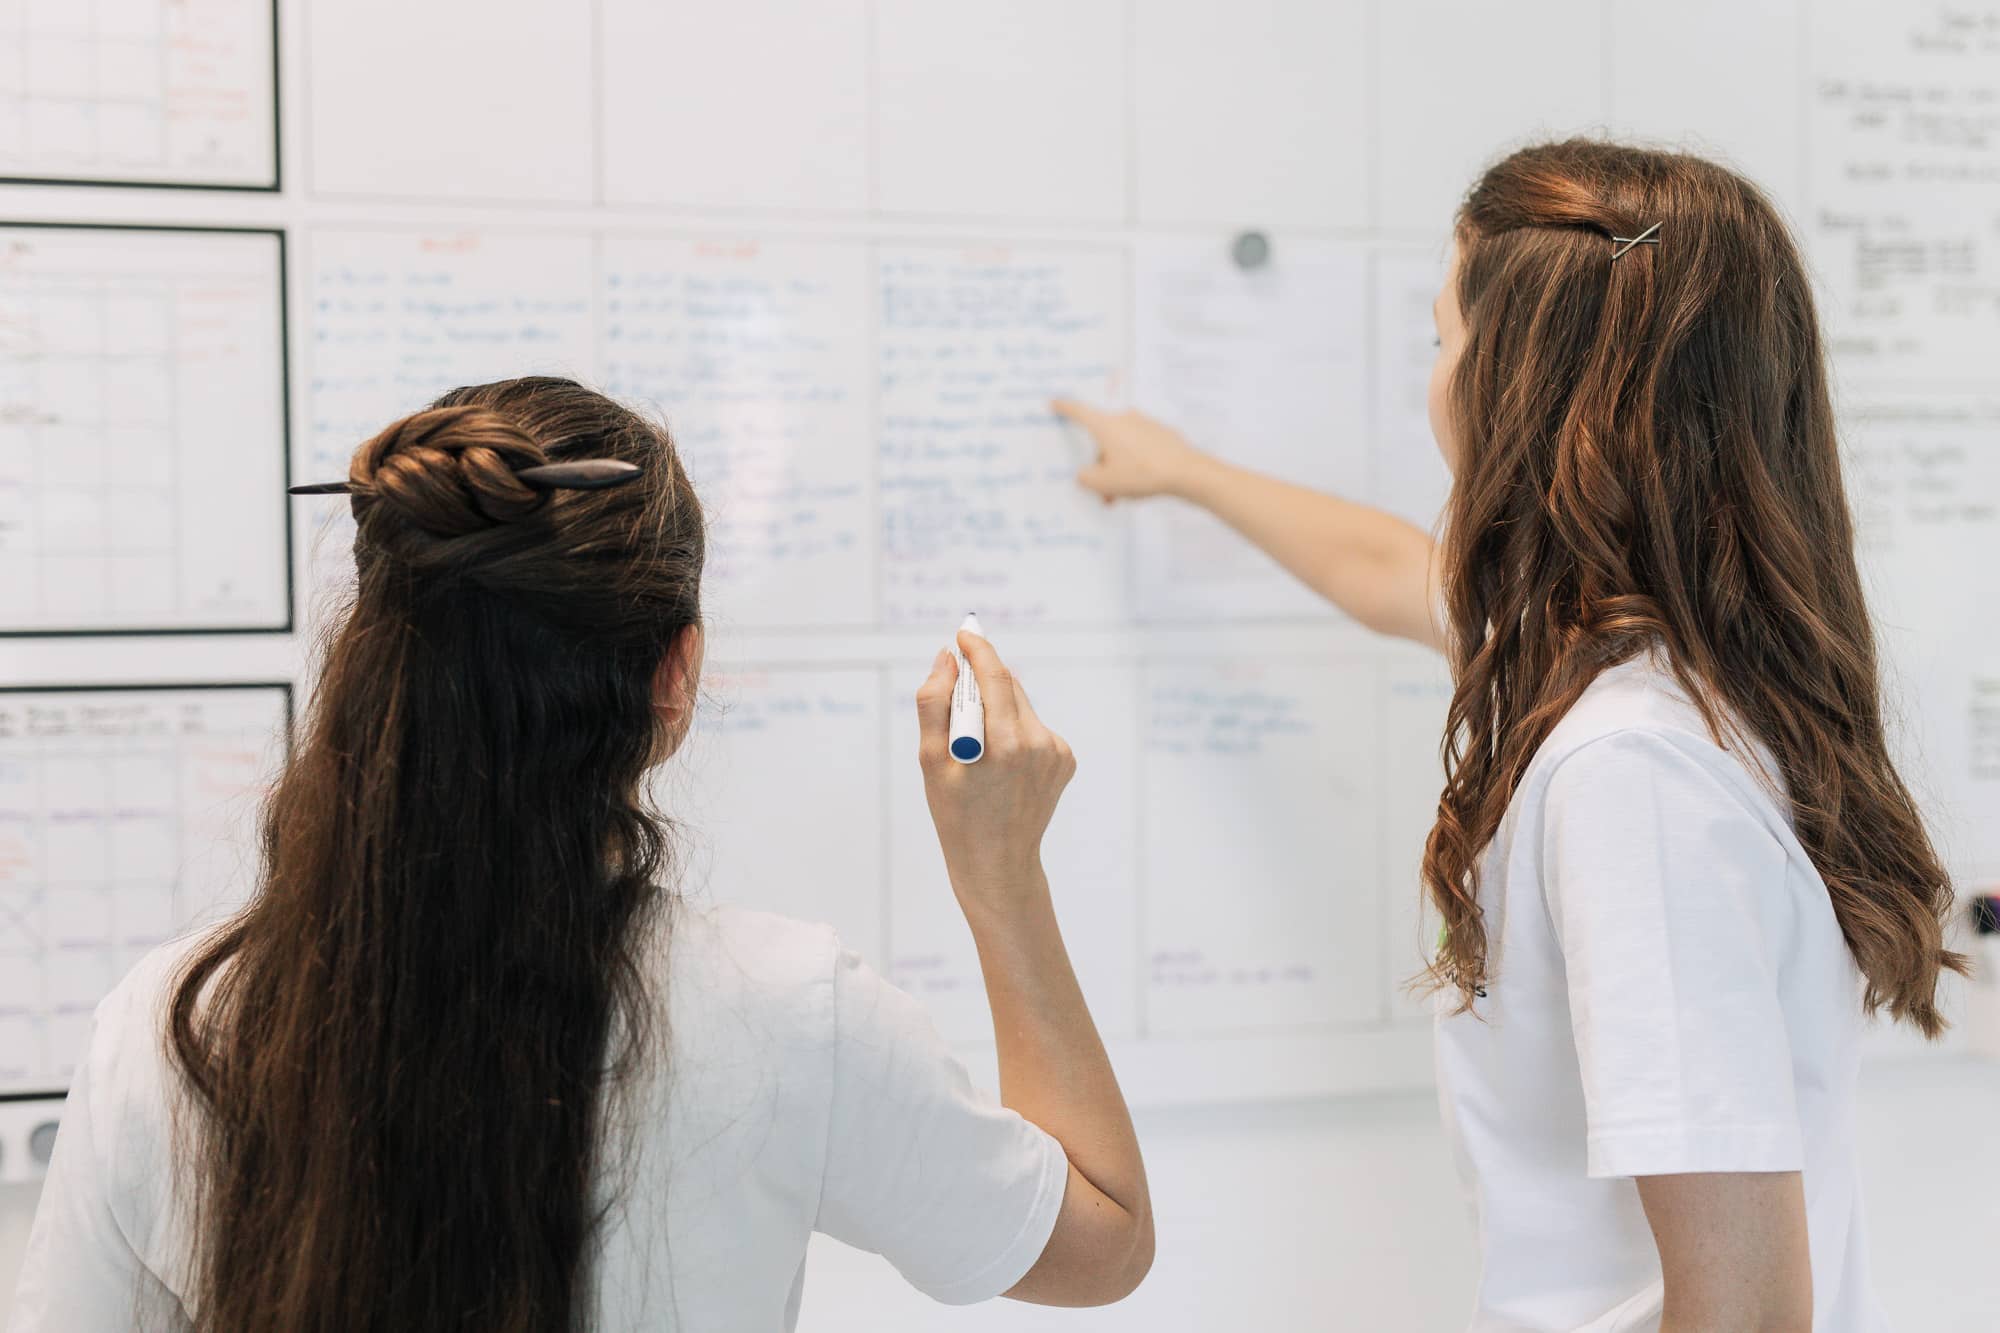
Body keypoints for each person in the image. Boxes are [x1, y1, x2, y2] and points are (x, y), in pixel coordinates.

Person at [8, 377, 1151, 1332]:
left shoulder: (173, 1025)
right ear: (675, 675)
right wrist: (1002, 876)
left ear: (377, 658)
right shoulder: (789, 1012)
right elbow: (1102, 1244)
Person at [1055, 140, 1962, 1332]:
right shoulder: (1668, 672)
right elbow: (1387, 568)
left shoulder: (1629, 776)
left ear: (1522, 385)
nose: (1430, 380)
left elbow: (1741, 1310)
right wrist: (1183, 472)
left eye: (1441, 341)